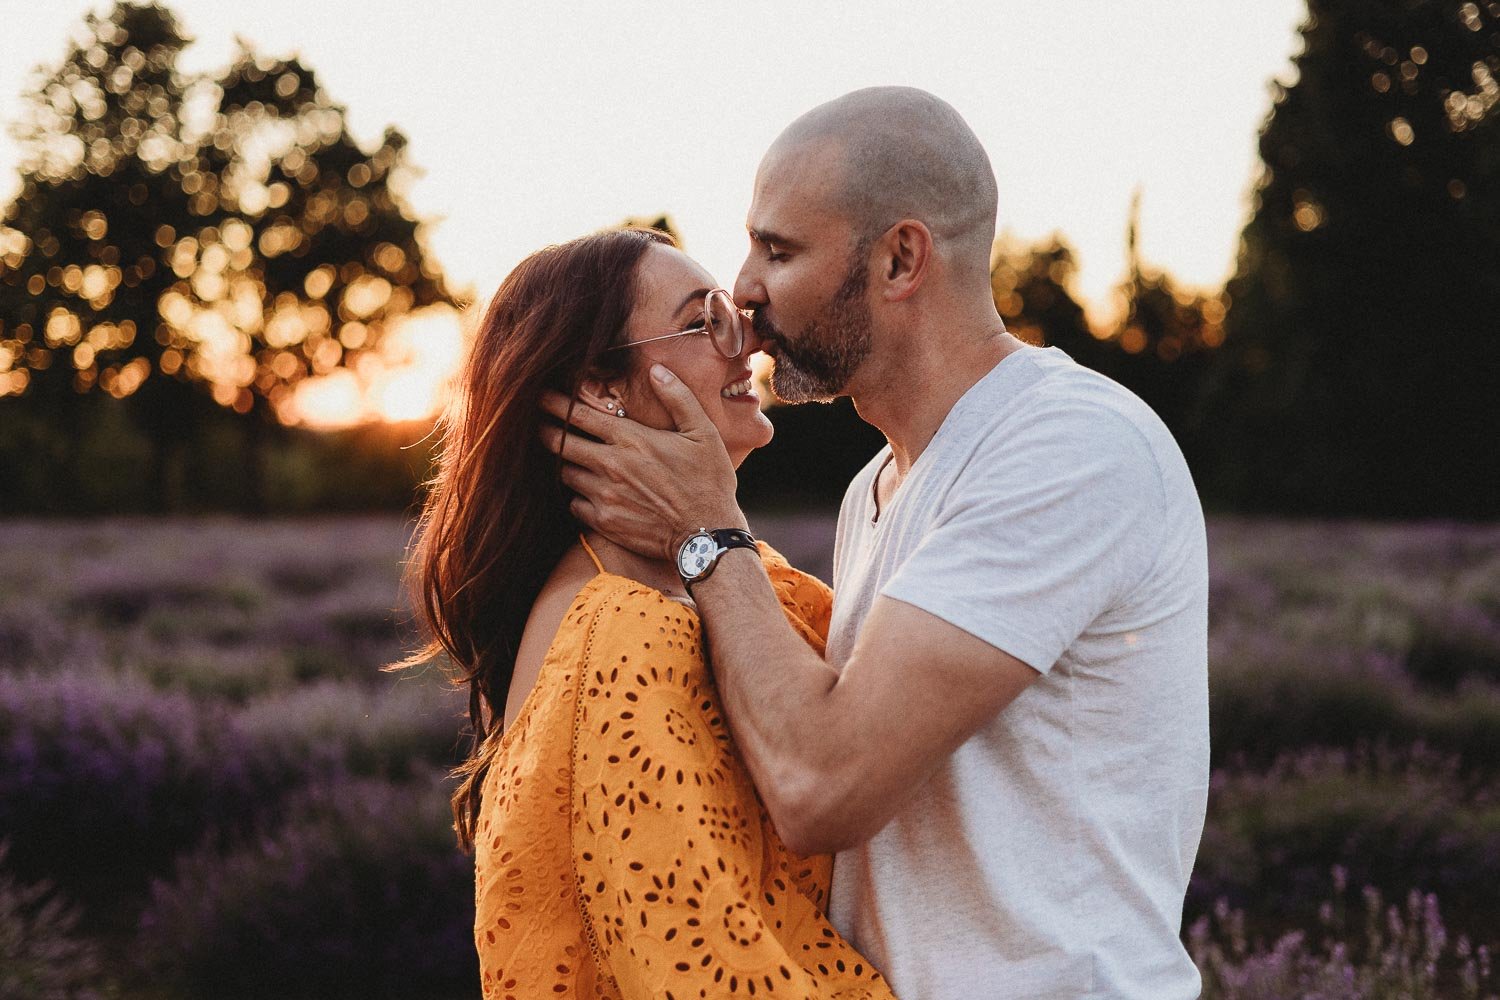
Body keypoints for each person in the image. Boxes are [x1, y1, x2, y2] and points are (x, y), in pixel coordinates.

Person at [541, 87, 1210, 999]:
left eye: (778, 250)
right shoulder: (877, 488)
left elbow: (822, 786)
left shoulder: (1070, 447)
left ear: (900, 259)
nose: (743, 290)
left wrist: (705, 531)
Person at [399, 227, 896, 998]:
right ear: (602, 388)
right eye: (704, 323)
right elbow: (707, 976)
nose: (748, 343)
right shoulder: (615, 636)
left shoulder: (743, 579)